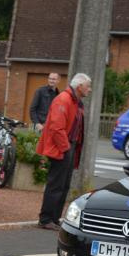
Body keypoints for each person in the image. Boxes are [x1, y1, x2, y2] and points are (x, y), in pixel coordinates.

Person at [36, 73, 91, 230]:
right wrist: (66, 148)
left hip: (68, 146)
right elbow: (56, 127)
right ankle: (46, 218)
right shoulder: (64, 99)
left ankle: (54, 218)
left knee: (64, 184)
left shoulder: (75, 101)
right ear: (79, 87)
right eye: (88, 86)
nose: (89, 89)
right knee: (56, 184)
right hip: (62, 147)